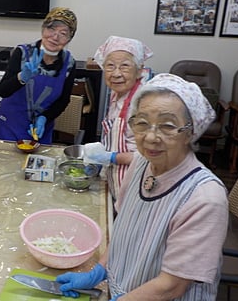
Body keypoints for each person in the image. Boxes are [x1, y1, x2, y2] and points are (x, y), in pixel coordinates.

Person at [56, 73, 228, 300]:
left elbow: (171, 286)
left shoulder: (205, 199)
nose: (150, 137)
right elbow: (124, 227)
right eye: (142, 122)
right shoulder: (140, 163)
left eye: (167, 126)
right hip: (127, 289)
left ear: (190, 131)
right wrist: (99, 270)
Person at [0, 7, 77, 144]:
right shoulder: (22, 53)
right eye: (51, 29)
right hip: (10, 126)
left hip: (40, 130)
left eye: (63, 33)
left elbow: (63, 100)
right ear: (43, 29)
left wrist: (45, 117)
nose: (55, 37)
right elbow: (3, 91)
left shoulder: (69, 64)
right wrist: (22, 78)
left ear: (68, 39)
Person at [83, 36, 153, 201]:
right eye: (110, 66)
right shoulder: (117, 95)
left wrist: (111, 157)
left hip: (137, 186)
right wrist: (100, 158)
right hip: (117, 183)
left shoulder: (144, 104)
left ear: (139, 70)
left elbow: (150, 156)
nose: (116, 73)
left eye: (125, 66)